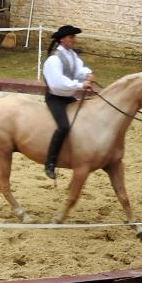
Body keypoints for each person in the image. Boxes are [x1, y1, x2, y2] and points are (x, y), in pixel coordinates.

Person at [42, 24, 94, 180]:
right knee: (64, 126)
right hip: (56, 98)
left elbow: (79, 70)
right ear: (62, 39)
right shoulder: (53, 60)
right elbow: (58, 84)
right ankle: (50, 163)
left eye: (74, 37)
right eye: (72, 37)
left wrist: (87, 75)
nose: (74, 40)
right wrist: (80, 85)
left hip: (67, 96)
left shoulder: (71, 55)